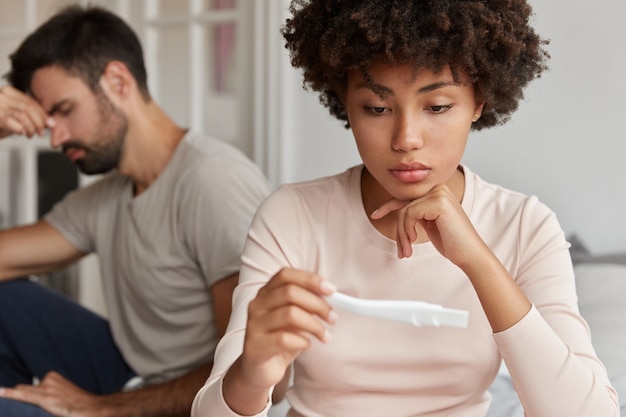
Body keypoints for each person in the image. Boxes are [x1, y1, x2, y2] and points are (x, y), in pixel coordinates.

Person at [191, 0, 621, 416]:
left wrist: (477, 260)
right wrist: (251, 373)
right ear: (345, 103)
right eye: (377, 108)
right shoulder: (292, 215)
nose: (406, 138)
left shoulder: (524, 226)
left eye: (437, 106)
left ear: (479, 101)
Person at [0, 4, 271, 417]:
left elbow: (246, 369)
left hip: (190, 404)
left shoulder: (212, 180)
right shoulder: (109, 196)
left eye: (64, 111)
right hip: (129, 373)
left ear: (117, 81)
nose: (55, 137)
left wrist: (99, 408)